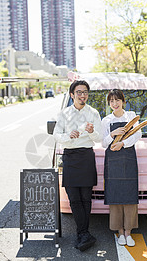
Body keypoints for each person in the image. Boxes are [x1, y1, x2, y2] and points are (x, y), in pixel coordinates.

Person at [53, 80, 102, 251]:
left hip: (87, 156)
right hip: (70, 157)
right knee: (74, 198)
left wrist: (91, 132)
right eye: (79, 92)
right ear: (72, 95)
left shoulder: (93, 113)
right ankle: (83, 233)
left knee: (86, 198)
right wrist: (68, 135)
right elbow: (56, 135)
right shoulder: (64, 113)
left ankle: (82, 233)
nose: (83, 95)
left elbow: (99, 138)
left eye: (85, 92)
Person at [101, 89, 141, 247]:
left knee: (130, 197)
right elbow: (103, 143)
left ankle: (129, 232)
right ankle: (120, 233)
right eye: (111, 101)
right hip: (113, 161)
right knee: (115, 196)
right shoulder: (106, 120)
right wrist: (112, 135)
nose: (114, 104)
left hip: (129, 158)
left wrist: (122, 143)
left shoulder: (131, 116)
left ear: (123, 101)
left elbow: (138, 134)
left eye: (117, 100)